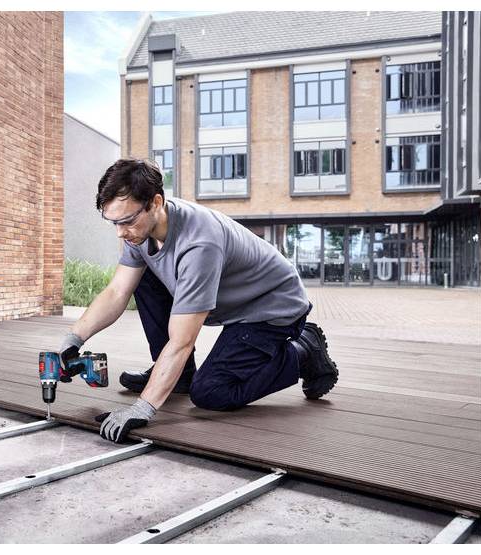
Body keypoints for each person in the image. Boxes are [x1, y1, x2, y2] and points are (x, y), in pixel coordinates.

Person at [59, 158, 338, 444]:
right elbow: (117, 291)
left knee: (211, 393)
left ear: (155, 202)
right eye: (113, 222)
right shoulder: (141, 232)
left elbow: (182, 341)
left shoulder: (199, 244)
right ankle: (176, 376)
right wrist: (73, 339)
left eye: (127, 221)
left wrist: (142, 408)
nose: (120, 232)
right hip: (233, 302)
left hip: (270, 308)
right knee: (141, 278)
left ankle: (304, 350)